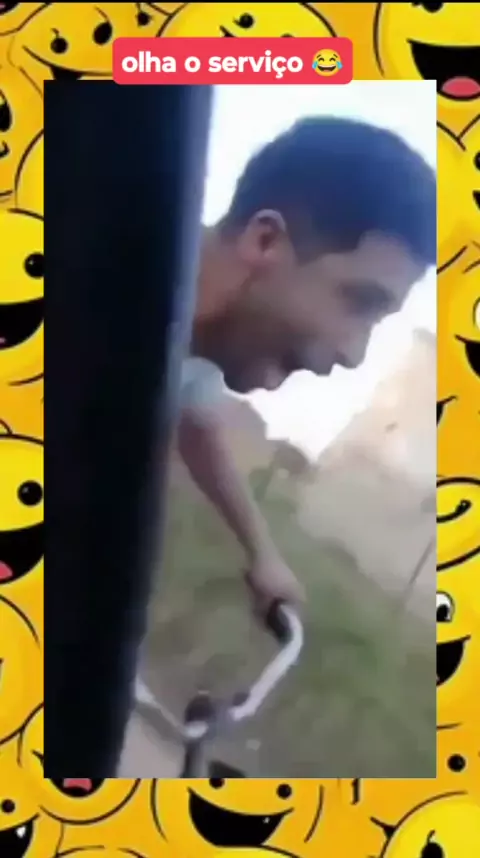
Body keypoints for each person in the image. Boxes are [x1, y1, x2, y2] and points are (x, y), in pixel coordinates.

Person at [176, 116, 436, 618]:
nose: (354, 355)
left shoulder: (192, 348)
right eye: (358, 303)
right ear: (265, 242)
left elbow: (196, 419)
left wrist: (264, 554)